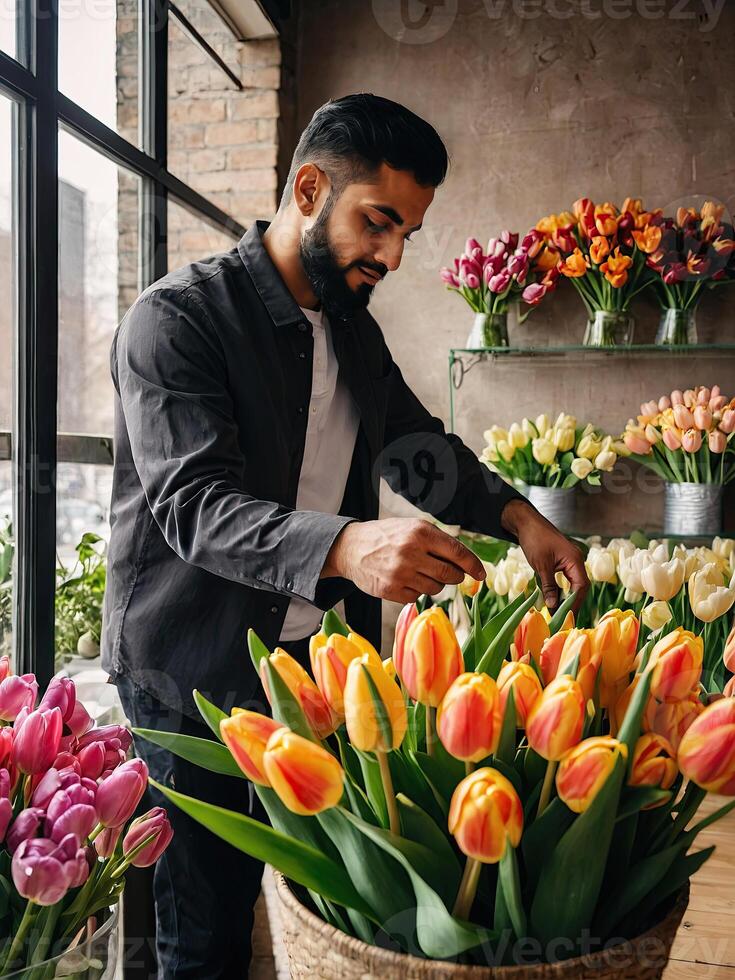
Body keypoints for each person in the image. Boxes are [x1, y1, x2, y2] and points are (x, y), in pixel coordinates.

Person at [102, 93, 588, 979]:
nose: (394, 254)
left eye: (406, 231)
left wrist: (522, 520)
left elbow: (417, 447)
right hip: (189, 676)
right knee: (201, 933)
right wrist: (349, 546)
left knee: (314, 907)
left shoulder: (352, 330)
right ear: (309, 188)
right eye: (378, 222)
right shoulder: (174, 321)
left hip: (319, 670)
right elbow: (193, 505)